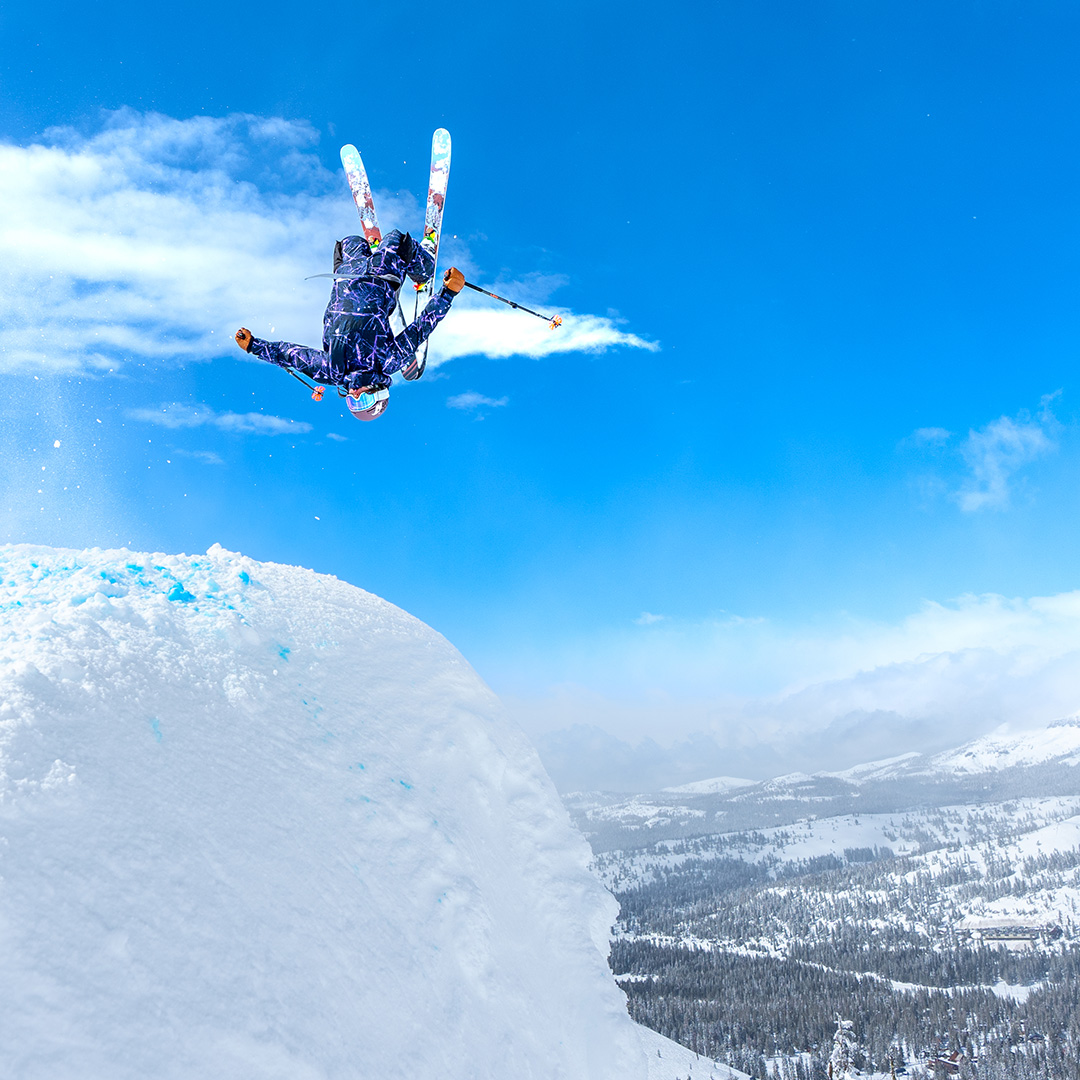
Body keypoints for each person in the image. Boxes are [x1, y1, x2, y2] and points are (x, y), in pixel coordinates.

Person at [235, 229, 465, 420]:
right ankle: (422, 266)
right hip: (381, 276)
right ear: (378, 393)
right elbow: (420, 329)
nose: (355, 395)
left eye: (352, 403)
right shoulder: (387, 363)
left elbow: (293, 355)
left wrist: (254, 346)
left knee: (348, 241)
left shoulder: (332, 371)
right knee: (398, 240)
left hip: (346, 275)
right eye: (363, 400)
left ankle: (372, 247)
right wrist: (448, 294)